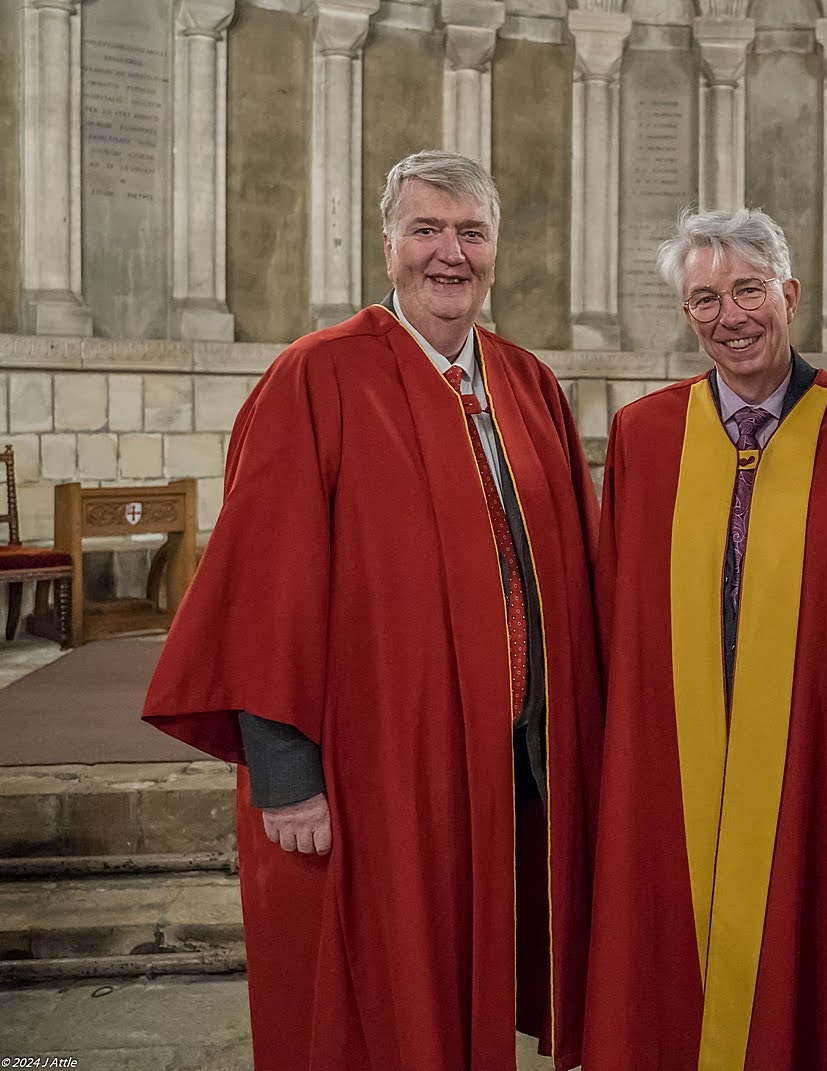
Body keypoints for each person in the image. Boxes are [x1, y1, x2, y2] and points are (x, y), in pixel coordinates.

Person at [142, 150, 603, 1071]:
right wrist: (282, 769)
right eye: (427, 229)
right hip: (374, 774)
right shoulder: (316, 380)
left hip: (511, 772)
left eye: (471, 233)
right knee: (373, 1005)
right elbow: (261, 591)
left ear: (495, 250)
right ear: (386, 244)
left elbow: (579, 579)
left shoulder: (526, 385)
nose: (450, 253)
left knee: (466, 996)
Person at [583, 207, 827, 1071]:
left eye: (747, 290)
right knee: (666, 949)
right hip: (673, 753)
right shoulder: (646, 434)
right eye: (704, 299)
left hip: (816, 745)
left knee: (813, 950)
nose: (729, 316)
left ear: (789, 294)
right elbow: (616, 605)